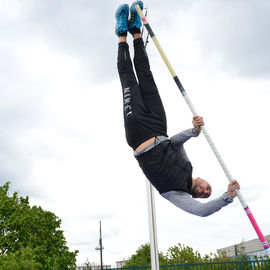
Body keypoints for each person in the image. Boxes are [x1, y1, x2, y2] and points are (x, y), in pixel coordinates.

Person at [116, 1, 240, 217]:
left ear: (196, 196)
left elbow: (202, 212)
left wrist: (226, 197)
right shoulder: (188, 166)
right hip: (159, 125)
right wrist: (194, 131)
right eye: (207, 188)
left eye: (203, 194)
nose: (204, 191)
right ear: (201, 178)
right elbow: (174, 142)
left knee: (129, 81)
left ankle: (121, 35)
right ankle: (136, 31)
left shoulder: (176, 194)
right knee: (146, 75)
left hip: (139, 135)